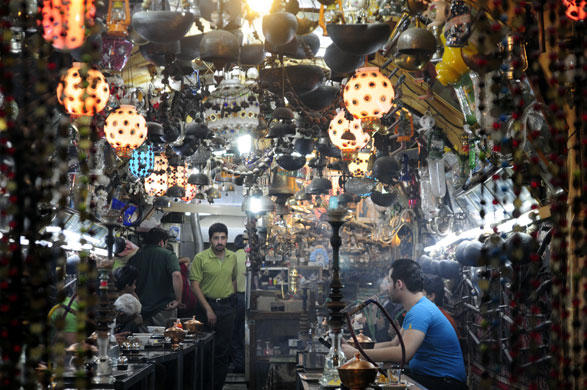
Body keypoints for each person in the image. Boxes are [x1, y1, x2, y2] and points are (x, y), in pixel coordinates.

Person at [342, 259, 466, 390]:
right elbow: (393, 344)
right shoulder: (417, 308)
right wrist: (354, 346)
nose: (388, 287)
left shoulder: (420, 311)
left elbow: (403, 354)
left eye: (390, 282)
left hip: (443, 384)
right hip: (429, 378)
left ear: (399, 284)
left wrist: (357, 354)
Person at [189, 223, 238, 390]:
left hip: (227, 307)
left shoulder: (233, 257)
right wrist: (208, 309)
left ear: (226, 239)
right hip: (206, 307)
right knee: (204, 351)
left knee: (223, 352)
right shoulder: (201, 258)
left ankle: (217, 387)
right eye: (216, 238)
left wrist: (232, 300)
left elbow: (233, 280)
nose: (220, 241)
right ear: (210, 240)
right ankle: (203, 386)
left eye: (223, 238)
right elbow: (194, 285)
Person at [128, 228, 183, 327]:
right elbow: (176, 275)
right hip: (164, 309)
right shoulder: (168, 255)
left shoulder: (134, 258)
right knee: (167, 339)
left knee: (144, 340)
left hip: (141, 311)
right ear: (162, 242)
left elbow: (129, 285)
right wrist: (178, 300)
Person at [230, 233, 247, 373]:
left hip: (238, 298)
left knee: (236, 332)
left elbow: (231, 280)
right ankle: (250, 363)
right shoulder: (251, 256)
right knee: (249, 332)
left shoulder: (233, 257)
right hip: (253, 298)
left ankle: (239, 364)